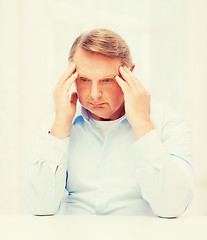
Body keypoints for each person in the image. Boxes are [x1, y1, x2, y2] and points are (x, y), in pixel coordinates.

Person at [21, 28, 193, 217]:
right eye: (84, 79)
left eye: (106, 80)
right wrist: (61, 125)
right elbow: (39, 207)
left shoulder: (167, 122)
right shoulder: (55, 124)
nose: (94, 94)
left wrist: (142, 124)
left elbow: (172, 208)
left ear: (130, 74)